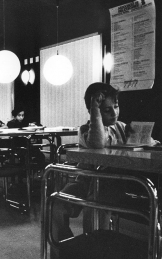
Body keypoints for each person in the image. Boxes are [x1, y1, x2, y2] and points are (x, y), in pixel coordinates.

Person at [50, 82, 159, 258]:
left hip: (115, 183)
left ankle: (95, 247)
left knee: (99, 202)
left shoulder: (122, 128)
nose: (114, 113)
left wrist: (146, 138)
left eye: (116, 107)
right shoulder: (86, 130)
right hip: (85, 181)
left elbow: (151, 144)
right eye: (106, 110)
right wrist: (95, 110)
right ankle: (64, 248)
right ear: (93, 112)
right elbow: (98, 142)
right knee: (56, 205)